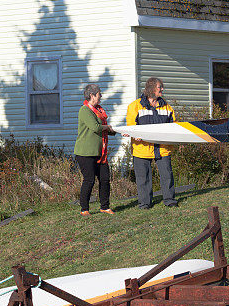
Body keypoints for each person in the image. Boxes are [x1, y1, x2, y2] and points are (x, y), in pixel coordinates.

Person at [126, 77, 178, 208]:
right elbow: (131, 125)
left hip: (162, 148)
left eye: (161, 87)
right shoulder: (135, 106)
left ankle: (169, 200)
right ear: (151, 89)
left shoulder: (167, 106)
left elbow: (174, 125)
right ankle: (145, 203)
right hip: (142, 149)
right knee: (143, 178)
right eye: (159, 87)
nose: (162, 89)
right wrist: (135, 134)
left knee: (167, 175)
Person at [74, 84, 117, 215]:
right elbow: (96, 127)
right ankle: (84, 209)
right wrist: (107, 127)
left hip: (100, 152)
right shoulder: (84, 110)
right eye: (99, 93)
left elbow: (104, 128)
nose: (101, 96)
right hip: (85, 153)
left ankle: (105, 206)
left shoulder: (99, 110)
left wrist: (117, 131)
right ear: (92, 95)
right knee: (89, 180)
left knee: (105, 179)